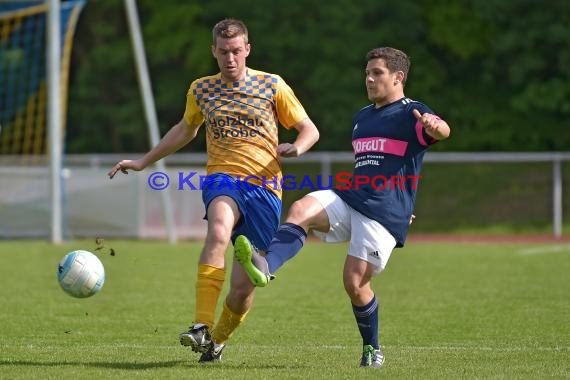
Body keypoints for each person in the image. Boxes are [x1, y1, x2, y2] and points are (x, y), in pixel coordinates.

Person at [107, 18, 319, 362]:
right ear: (214, 52)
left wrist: (298, 147)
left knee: (241, 291)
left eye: (236, 51)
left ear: (247, 49)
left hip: (266, 188)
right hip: (223, 178)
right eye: (223, 52)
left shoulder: (272, 85)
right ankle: (200, 325)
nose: (230, 58)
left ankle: (216, 341)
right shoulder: (201, 89)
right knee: (218, 230)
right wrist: (144, 161)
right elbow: (185, 129)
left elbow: (308, 128)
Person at [234, 47, 450, 368]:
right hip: (352, 198)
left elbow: (440, 131)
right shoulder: (361, 118)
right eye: (367, 73)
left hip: (385, 213)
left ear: (398, 77)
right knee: (301, 209)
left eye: (377, 73)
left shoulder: (412, 113)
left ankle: (372, 348)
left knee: (354, 283)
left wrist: (436, 126)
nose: (369, 78)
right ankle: (266, 266)